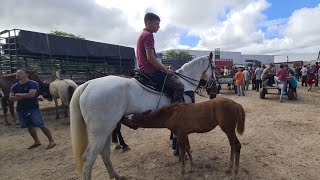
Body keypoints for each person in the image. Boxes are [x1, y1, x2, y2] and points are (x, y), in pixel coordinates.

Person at [136, 12, 183, 103]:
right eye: (157, 23)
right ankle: (175, 111)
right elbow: (151, 58)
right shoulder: (148, 35)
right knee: (179, 86)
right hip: (151, 71)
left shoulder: (143, 34)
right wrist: (165, 70)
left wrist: (164, 68)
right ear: (149, 23)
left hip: (144, 69)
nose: (159, 26)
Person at [10, 68, 56, 149]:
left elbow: (31, 95)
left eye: (20, 73)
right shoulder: (14, 86)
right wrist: (23, 96)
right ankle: (37, 141)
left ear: (26, 74)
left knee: (41, 125)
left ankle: (51, 141)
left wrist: (19, 95)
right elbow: (11, 97)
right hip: (21, 109)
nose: (17, 74)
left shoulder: (33, 84)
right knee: (29, 126)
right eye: (17, 73)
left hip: (32, 108)